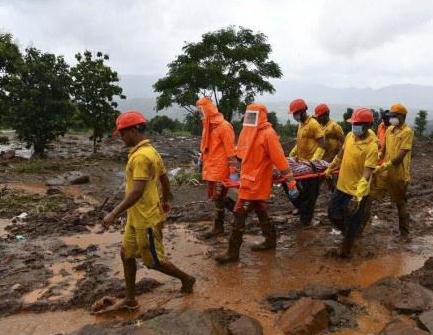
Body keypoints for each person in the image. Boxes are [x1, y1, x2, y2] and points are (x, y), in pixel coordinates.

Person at [100, 111, 196, 311]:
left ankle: (187, 279)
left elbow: (136, 191)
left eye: (123, 133)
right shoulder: (150, 150)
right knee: (126, 255)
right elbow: (164, 178)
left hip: (147, 218)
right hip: (135, 218)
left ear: (133, 131)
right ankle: (130, 299)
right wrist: (166, 199)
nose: (121, 138)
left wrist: (113, 213)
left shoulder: (142, 156)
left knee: (154, 261)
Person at [215, 103, 299, 264]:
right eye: (248, 115)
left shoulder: (268, 134)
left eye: (253, 116)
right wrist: (232, 170)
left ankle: (232, 253)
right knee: (261, 210)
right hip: (247, 179)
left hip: (256, 183)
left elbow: (280, 160)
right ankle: (270, 240)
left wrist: (291, 183)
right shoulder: (248, 132)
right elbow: (240, 155)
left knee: (239, 213)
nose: (249, 119)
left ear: (260, 116)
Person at [325, 108, 378, 258]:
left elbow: (367, 173)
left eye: (358, 124)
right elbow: (341, 155)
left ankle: (347, 253)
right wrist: (331, 167)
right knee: (332, 214)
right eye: (354, 123)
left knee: (351, 223)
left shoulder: (371, 146)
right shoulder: (349, 136)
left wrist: (358, 196)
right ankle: (350, 235)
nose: (354, 126)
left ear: (368, 125)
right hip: (342, 187)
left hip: (356, 192)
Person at [361, 103, 413, 240]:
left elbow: (400, 157)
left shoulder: (407, 132)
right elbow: (383, 151)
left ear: (401, 116)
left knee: (400, 203)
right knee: (368, 197)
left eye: (393, 116)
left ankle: (404, 234)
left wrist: (381, 167)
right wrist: (373, 160)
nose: (391, 119)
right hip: (384, 173)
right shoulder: (389, 130)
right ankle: (359, 231)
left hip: (398, 174)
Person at [196, 97, 238, 239]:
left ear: (207, 109)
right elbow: (205, 146)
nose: (200, 113)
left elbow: (231, 151)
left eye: (201, 110)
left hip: (221, 169)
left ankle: (218, 227)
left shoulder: (224, 126)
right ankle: (240, 213)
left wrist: (233, 173)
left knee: (219, 198)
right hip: (211, 168)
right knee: (217, 197)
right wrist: (201, 159)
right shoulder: (207, 127)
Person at [286, 98, 326, 226]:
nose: (294, 116)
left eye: (296, 113)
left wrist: (314, 162)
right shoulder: (301, 125)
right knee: (288, 183)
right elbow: (299, 143)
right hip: (300, 163)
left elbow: (322, 144)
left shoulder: (313, 124)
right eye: (293, 113)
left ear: (303, 111)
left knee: (310, 194)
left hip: (311, 165)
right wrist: (291, 155)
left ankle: (306, 220)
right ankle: (302, 208)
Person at [314, 103, 345, 192]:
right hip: (323, 158)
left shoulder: (335, 126)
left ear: (326, 114)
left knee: (323, 180)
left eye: (319, 116)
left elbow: (345, 142)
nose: (318, 118)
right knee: (327, 180)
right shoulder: (320, 127)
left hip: (332, 160)